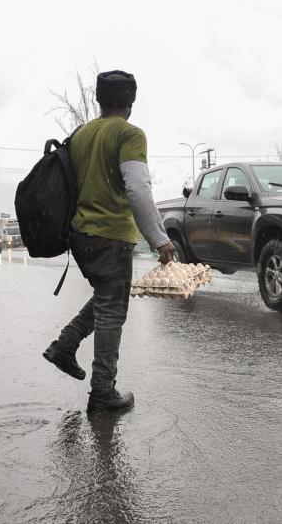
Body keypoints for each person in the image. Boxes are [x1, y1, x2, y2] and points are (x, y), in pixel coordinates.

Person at [43, 70, 175, 413]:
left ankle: (64, 346)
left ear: (100, 100)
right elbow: (137, 187)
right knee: (114, 309)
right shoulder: (130, 134)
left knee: (106, 299)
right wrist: (160, 239)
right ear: (130, 102)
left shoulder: (82, 134)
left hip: (80, 236)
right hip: (110, 236)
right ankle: (103, 390)